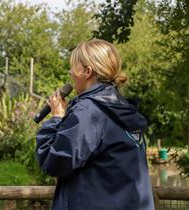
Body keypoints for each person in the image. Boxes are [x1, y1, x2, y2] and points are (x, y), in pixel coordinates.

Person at [35, 39, 154, 210]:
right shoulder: (122, 108)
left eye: (73, 66)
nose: (70, 72)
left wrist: (57, 119)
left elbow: (54, 161)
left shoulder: (89, 112)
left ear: (87, 71)